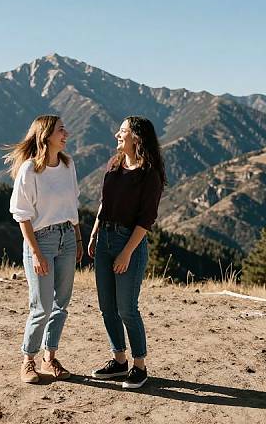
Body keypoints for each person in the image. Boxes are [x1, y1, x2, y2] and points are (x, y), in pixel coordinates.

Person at [88, 116, 166, 389]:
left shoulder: (149, 175)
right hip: (105, 238)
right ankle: (119, 361)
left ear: (137, 137)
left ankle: (139, 366)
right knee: (106, 307)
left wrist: (126, 253)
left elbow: (146, 221)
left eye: (122, 131)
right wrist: (95, 231)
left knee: (127, 309)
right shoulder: (115, 164)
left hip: (128, 242)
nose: (117, 135)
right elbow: (103, 203)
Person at [5, 115, 83, 384]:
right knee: (41, 306)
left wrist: (78, 238)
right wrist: (36, 253)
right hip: (41, 240)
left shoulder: (68, 164)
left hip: (67, 238)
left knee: (62, 304)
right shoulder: (29, 170)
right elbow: (22, 216)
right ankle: (28, 360)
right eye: (61, 130)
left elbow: (73, 205)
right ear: (46, 135)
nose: (66, 134)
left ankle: (50, 359)